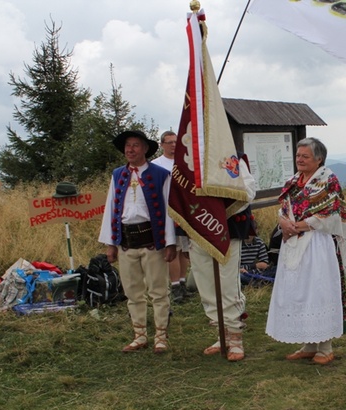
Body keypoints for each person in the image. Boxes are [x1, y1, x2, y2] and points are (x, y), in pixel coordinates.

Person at [266, 137, 346, 365]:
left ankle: (325, 347)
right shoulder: (293, 182)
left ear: (319, 159)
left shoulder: (328, 181)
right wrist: (284, 223)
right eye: (298, 156)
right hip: (294, 243)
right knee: (297, 290)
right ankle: (308, 343)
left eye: (305, 156)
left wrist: (300, 226)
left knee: (318, 290)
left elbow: (333, 213)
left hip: (318, 244)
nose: (300, 159)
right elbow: (283, 209)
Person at [98, 130, 176, 354]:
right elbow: (111, 209)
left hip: (152, 241)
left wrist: (170, 243)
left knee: (159, 291)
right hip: (127, 242)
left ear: (144, 149)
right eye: (127, 146)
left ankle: (160, 336)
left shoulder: (161, 175)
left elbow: (168, 211)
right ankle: (139, 335)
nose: (130, 150)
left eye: (135, 145)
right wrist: (110, 244)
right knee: (132, 292)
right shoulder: (118, 175)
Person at [192, 155, 256, 362]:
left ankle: (235, 336)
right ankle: (222, 335)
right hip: (197, 228)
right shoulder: (188, 160)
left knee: (228, 282)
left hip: (227, 228)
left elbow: (248, 192)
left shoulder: (231, 157)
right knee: (206, 282)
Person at [152, 130, 192, 303]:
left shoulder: (184, 161)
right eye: (169, 142)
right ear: (162, 145)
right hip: (167, 213)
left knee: (185, 250)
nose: (173, 145)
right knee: (172, 249)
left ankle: (183, 282)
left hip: (185, 211)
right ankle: (175, 286)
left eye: (176, 142)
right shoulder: (156, 164)